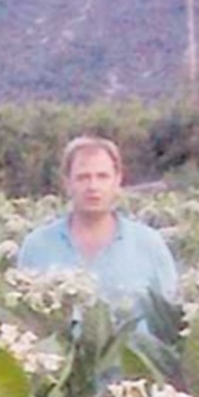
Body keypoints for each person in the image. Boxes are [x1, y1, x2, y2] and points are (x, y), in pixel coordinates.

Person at [17, 136, 178, 323]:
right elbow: (22, 318)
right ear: (67, 183)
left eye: (102, 176)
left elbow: (170, 319)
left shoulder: (150, 244)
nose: (93, 187)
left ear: (117, 180)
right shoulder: (36, 245)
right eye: (83, 177)